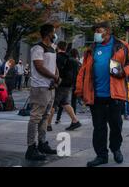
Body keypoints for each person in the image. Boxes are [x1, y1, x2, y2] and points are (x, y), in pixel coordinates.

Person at [75, 21, 129, 167]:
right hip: (96, 96)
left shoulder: (121, 46)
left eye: (99, 30)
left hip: (115, 95)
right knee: (99, 128)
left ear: (108, 31)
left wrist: (124, 72)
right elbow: (83, 71)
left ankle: (116, 149)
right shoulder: (91, 49)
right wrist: (79, 90)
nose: (96, 33)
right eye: (95, 30)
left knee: (116, 125)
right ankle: (101, 155)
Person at [25, 24, 59, 161]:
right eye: (53, 33)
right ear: (48, 34)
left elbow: (54, 66)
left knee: (45, 116)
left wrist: (56, 77)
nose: (55, 35)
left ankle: (42, 143)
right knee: (35, 117)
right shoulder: (37, 48)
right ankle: (31, 147)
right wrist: (53, 76)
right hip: (40, 87)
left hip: (50, 87)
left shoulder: (52, 48)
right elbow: (39, 66)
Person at [47, 41, 81, 132]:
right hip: (68, 84)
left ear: (58, 47)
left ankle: (48, 124)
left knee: (53, 103)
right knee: (65, 102)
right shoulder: (69, 58)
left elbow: (53, 70)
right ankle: (75, 120)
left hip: (59, 83)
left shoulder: (57, 57)